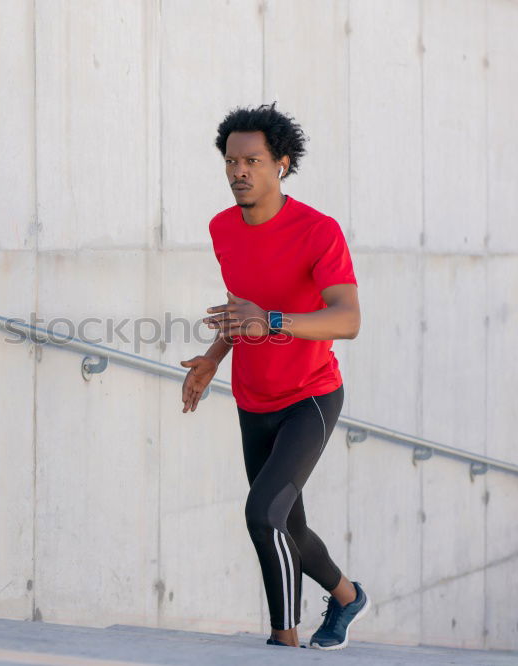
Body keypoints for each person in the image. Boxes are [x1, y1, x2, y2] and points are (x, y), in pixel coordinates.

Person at [180, 103, 369, 650]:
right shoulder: (222, 227)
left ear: (281, 164)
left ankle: (282, 642)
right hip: (252, 399)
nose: (239, 170)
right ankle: (348, 596)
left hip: (310, 398)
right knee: (289, 525)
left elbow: (348, 319)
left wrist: (276, 322)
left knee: (263, 514)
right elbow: (244, 315)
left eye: (253, 160)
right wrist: (215, 356)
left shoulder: (318, 231)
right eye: (231, 160)